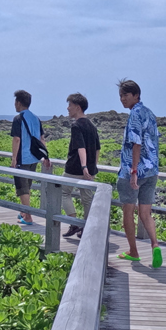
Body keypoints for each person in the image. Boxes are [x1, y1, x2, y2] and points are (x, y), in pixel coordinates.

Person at [116, 79, 162, 268]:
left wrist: (134, 171)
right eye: (120, 96)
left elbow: (136, 143)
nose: (122, 99)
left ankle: (134, 252)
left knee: (128, 210)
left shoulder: (135, 114)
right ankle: (155, 244)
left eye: (126, 95)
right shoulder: (149, 113)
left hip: (133, 172)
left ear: (136, 95)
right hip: (152, 170)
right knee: (145, 213)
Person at [61, 93, 100, 238]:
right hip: (90, 169)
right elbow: (97, 149)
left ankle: (74, 223)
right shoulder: (92, 126)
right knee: (87, 198)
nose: (68, 108)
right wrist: (92, 167)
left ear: (77, 107)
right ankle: (86, 228)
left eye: (70, 105)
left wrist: (84, 167)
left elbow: (80, 147)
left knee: (63, 192)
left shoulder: (76, 125)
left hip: (75, 168)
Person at [10, 89, 48, 226]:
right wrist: (45, 156)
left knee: (22, 188)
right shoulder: (36, 118)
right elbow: (41, 139)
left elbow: (17, 139)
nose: (14, 104)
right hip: (34, 158)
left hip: (23, 158)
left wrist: (14, 158)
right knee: (28, 187)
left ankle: (28, 217)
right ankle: (24, 213)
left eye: (15, 102)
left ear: (19, 103)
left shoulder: (18, 118)